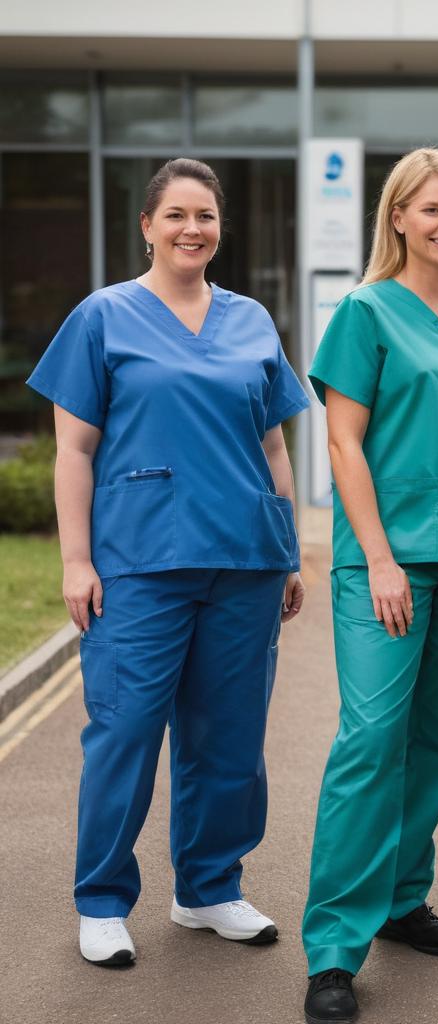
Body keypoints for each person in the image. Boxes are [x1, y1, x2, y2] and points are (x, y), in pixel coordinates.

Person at [25, 158, 309, 967]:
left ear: (221, 229)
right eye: (177, 215)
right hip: (139, 563)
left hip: (245, 561)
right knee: (124, 731)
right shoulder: (102, 317)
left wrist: (287, 549)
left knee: (229, 741)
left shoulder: (251, 319)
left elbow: (274, 446)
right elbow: (73, 451)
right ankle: (103, 900)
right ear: (147, 225)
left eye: (207, 217)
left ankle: (209, 889)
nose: (194, 229)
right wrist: (77, 561)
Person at [301, 148, 438, 1024]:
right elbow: (343, 443)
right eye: (430, 209)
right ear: (396, 217)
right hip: (388, 560)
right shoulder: (364, 313)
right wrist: (382, 558)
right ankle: (333, 950)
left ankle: (399, 897)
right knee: (370, 740)